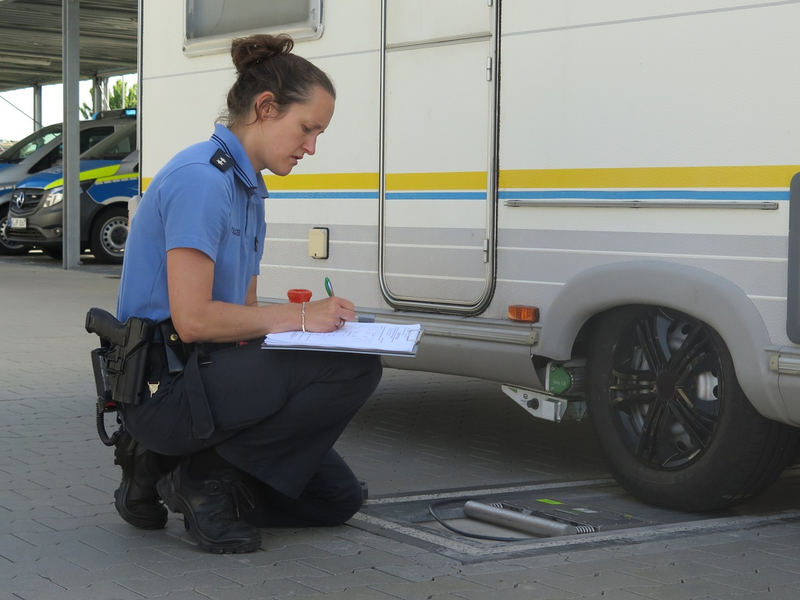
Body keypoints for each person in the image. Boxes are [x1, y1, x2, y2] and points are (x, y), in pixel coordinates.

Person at [112, 33, 382, 554]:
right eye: (307, 129)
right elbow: (191, 321)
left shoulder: (248, 188)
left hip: (206, 373)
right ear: (265, 108)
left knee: (335, 501)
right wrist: (303, 316)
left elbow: (245, 314)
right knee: (356, 366)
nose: (311, 147)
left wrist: (310, 329)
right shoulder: (202, 181)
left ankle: (165, 466)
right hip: (166, 385)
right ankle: (202, 479)